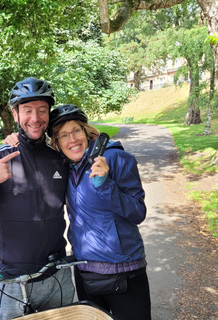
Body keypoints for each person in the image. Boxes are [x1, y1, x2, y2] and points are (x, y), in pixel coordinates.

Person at [0, 77, 74, 320]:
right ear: (15, 114)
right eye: (28, 111)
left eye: (42, 110)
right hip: (12, 281)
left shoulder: (59, 157)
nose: (35, 118)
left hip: (57, 275)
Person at [48, 104, 151, 320]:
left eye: (76, 130)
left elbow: (137, 212)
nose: (72, 139)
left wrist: (106, 185)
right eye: (63, 135)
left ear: (86, 131)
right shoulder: (66, 167)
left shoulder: (115, 158)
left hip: (124, 271)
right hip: (85, 271)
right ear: (56, 144)